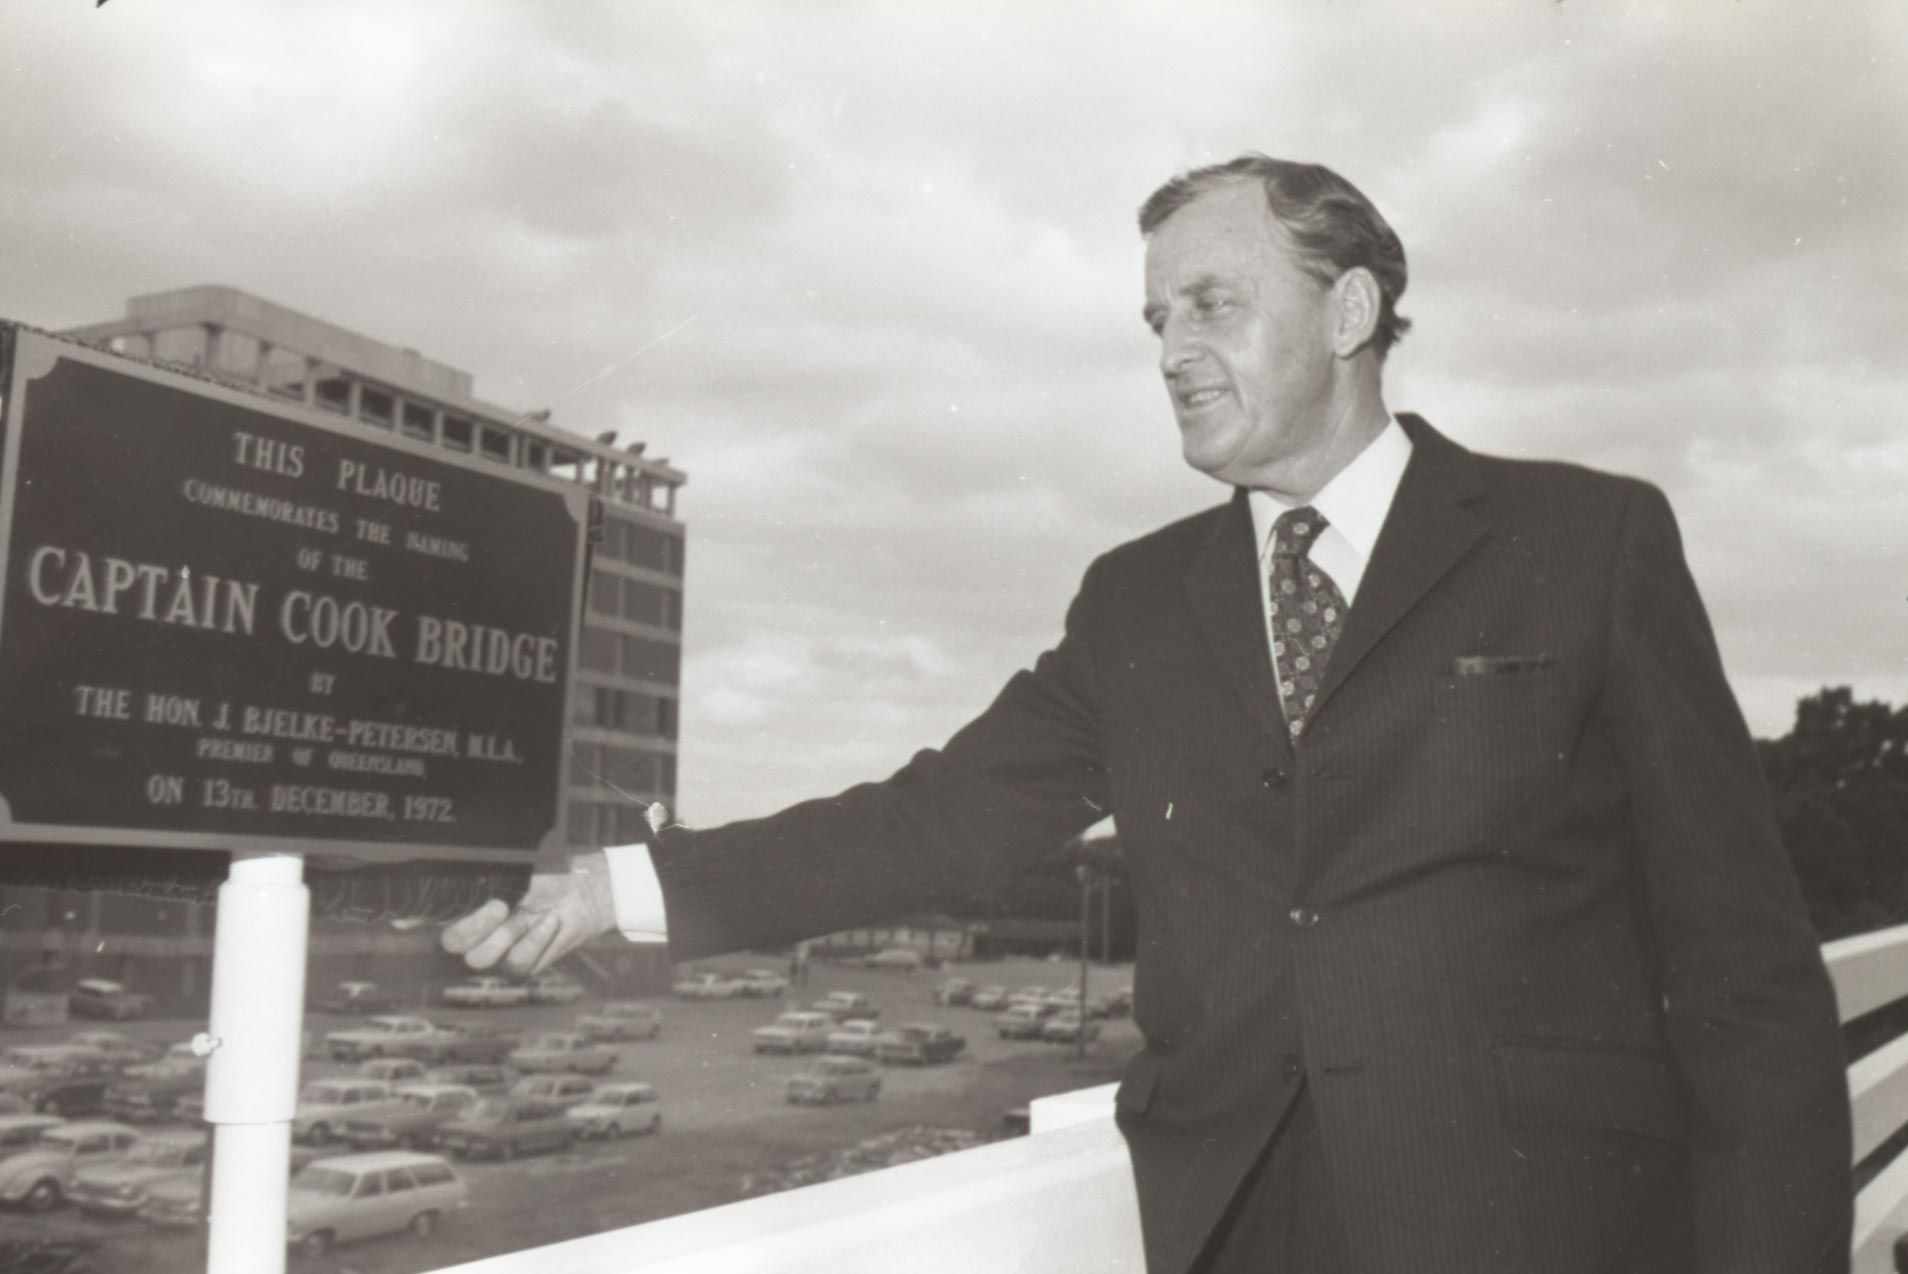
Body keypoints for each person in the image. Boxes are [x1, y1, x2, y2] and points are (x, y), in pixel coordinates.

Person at [444, 154, 1852, 1273]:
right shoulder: (1137, 603)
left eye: (1212, 304)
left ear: (1351, 313)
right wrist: (617, 888)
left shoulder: (1582, 541)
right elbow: (934, 824)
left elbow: (1745, 970)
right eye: (1156, 318)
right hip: (1235, 1223)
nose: (1172, 348)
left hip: (1545, 1227)